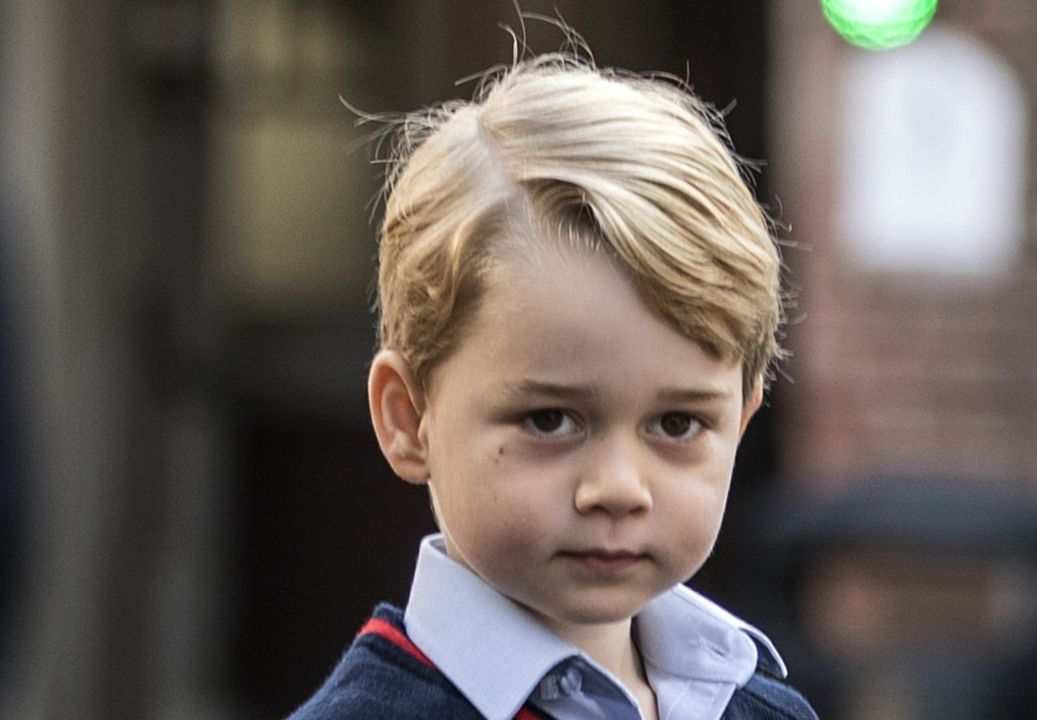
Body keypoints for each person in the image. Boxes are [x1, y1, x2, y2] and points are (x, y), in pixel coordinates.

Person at [288, 37, 818, 720]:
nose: (619, 490)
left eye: (678, 424)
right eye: (549, 420)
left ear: (741, 421)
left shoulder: (770, 710)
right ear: (407, 418)